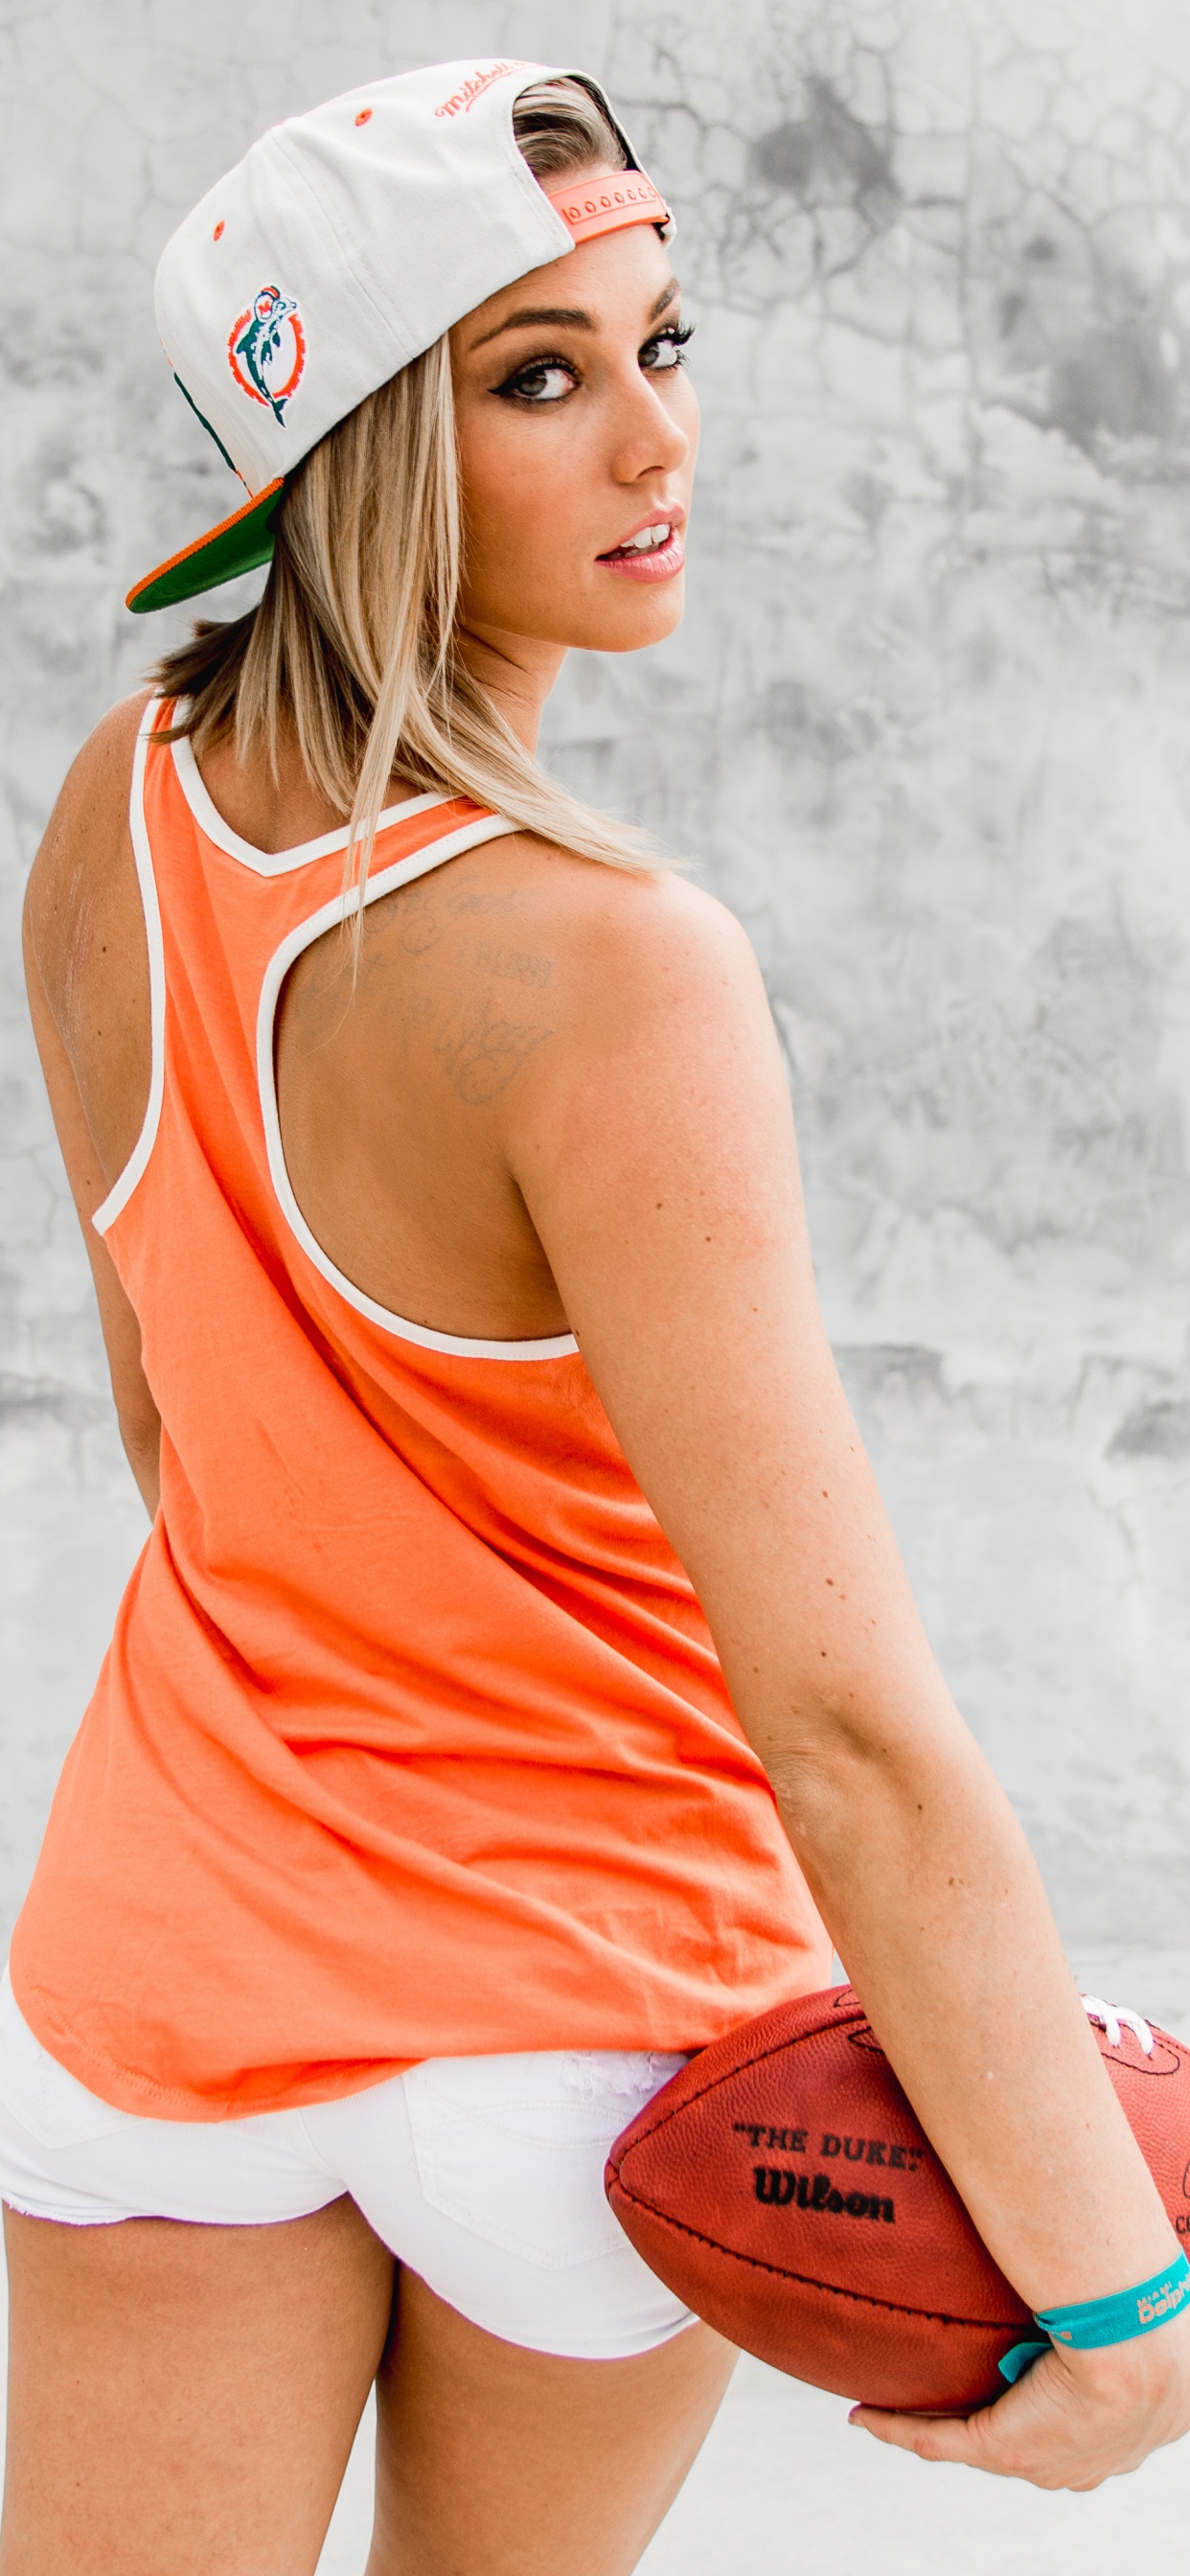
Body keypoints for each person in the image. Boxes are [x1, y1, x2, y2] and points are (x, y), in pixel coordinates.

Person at [8, 56, 1189, 2576]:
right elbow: (846, 1729)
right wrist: (1118, 2297)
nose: (655, 441)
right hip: (588, 2060)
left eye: (666, 342)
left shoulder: (109, 811)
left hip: (151, 1993)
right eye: (535, 377)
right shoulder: (615, 973)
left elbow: (176, 1430)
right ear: (352, 449)